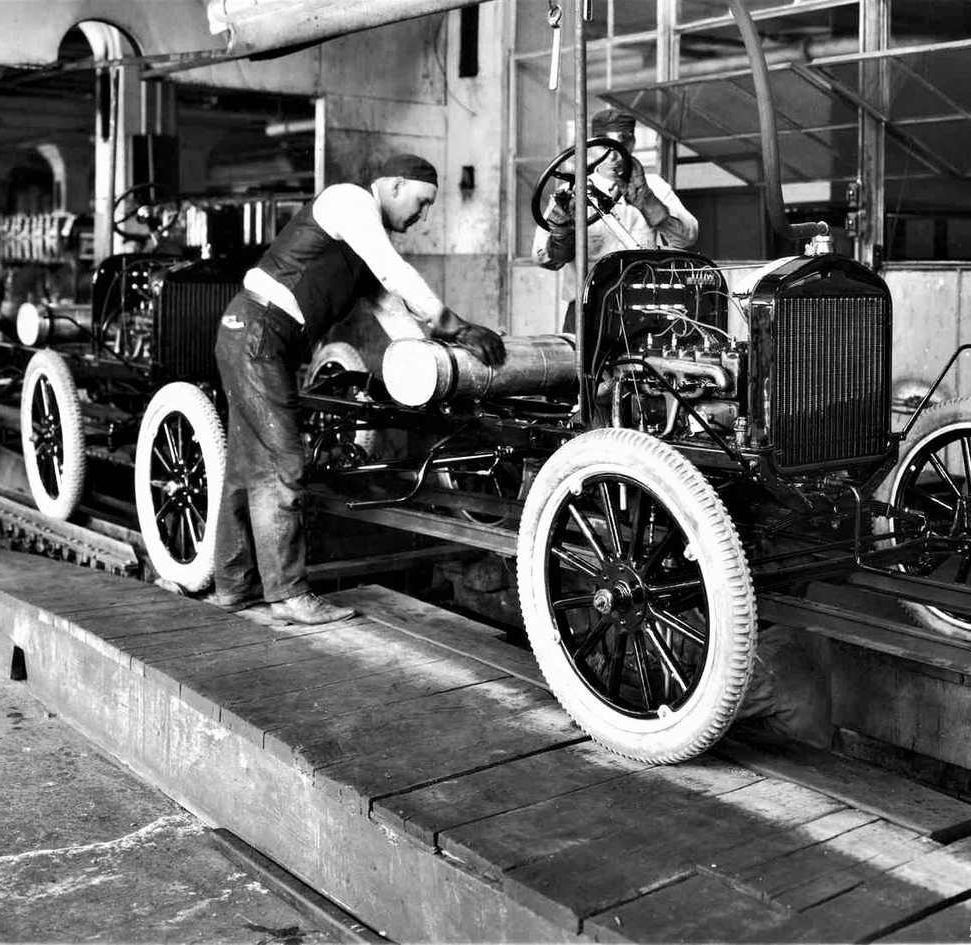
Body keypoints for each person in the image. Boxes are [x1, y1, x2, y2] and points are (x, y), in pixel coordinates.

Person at [212, 154, 506, 626]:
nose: (422, 215)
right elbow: (394, 271)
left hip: (257, 334)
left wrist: (448, 367)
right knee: (283, 463)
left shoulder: (361, 246)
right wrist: (455, 324)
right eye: (422, 202)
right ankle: (288, 595)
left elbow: (398, 319)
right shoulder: (349, 202)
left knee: (248, 467)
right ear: (393, 186)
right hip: (259, 331)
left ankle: (232, 586)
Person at [532, 108, 699, 332]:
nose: (614, 157)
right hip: (586, 312)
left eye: (622, 143)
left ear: (633, 142)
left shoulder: (655, 187)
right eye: (605, 146)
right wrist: (562, 233)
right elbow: (543, 257)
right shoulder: (570, 194)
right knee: (582, 368)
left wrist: (649, 203)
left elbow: (687, 238)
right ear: (590, 146)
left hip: (646, 308)